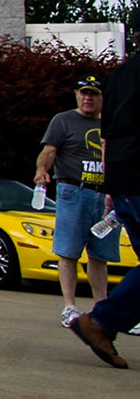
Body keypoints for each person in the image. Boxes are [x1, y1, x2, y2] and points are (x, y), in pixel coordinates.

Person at [68, 53, 140, 367]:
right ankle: (101, 321)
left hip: (124, 180)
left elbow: (106, 135)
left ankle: (103, 322)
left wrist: (111, 185)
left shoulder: (120, 75)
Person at [37, 75, 109, 328]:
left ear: (102, 98)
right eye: (84, 93)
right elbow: (49, 151)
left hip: (106, 195)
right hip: (73, 190)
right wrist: (42, 170)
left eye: (94, 94)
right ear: (77, 95)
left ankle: (103, 309)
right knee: (68, 252)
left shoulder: (112, 123)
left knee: (100, 255)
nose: (88, 98)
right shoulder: (64, 120)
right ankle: (70, 307)